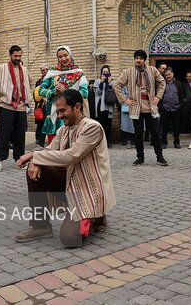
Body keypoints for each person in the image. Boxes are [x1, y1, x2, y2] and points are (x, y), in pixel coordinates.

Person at [13, 89, 116, 247]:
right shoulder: (63, 130)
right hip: (70, 184)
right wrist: (34, 160)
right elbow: (49, 151)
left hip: (88, 191)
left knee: (70, 239)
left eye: (62, 111)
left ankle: (95, 215)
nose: (59, 116)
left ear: (77, 107)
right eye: (58, 111)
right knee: (34, 170)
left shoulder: (92, 128)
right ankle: (41, 227)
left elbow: (72, 155)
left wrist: (33, 156)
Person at [114, 49, 168, 166]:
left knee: (154, 132)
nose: (138, 60)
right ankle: (140, 157)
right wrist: (125, 100)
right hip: (136, 106)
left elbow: (162, 83)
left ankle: (160, 157)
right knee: (138, 134)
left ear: (144, 60)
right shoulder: (128, 72)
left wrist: (158, 97)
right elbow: (117, 85)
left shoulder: (152, 70)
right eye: (136, 58)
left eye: (140, 58)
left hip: (150, 106)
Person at [0, 46, 32, 172]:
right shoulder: (2, 68)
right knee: (4, 134)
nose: (18, 58)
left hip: (21, 107)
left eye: (20, 56)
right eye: (15, 56)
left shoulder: (24, 69)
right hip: (6, 106)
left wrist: (27, 97)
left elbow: (30, 83)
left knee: (20, 135)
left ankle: (19, 159)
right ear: (10, 55)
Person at [39, 46, 88, 145]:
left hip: (71, 113)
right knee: (54, 146)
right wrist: (53, 92)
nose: (63, 59)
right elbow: (41, 90)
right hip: (54, 114)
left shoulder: (79, 73)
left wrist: (66, 92)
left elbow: (85, 93)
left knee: (71, 145)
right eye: (60, 56)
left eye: (66, 55)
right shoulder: (52, 73)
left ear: (71, 55)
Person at [159, 67, 185, 149]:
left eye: (169, 74)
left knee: (176, 127)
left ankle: (176, 142)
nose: (168, 76)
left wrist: (180, 105)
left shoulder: (178, 84)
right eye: (166, 75)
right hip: (165, 109)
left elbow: (181, 95)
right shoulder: (162, 84)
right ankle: (163, 142)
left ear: (173, 74)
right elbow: (159, 96)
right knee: (164, 127)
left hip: (176, 109)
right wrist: (161, 107)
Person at [94, 65, 116, 148]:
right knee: (100, 125)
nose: (105, 74)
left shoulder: (113, 82)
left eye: (107, 72)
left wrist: (109, 83)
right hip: (100, 106)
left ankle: (108, 142)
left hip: (109, 106)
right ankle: (100, 142)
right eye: (104, 72)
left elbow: (113, 92)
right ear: (101, 73)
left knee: (108, 125)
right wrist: (102, 82)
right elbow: (98, 93)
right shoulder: (97, 81)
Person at [34, 64, 50, 150]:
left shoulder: (53, 79)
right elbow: (36, 96)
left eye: (47, 69)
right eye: (43, 70)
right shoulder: (38, 82)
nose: (45, 71)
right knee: (41, 125)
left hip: (51, 105)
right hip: (42, 106)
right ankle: (40, 143)